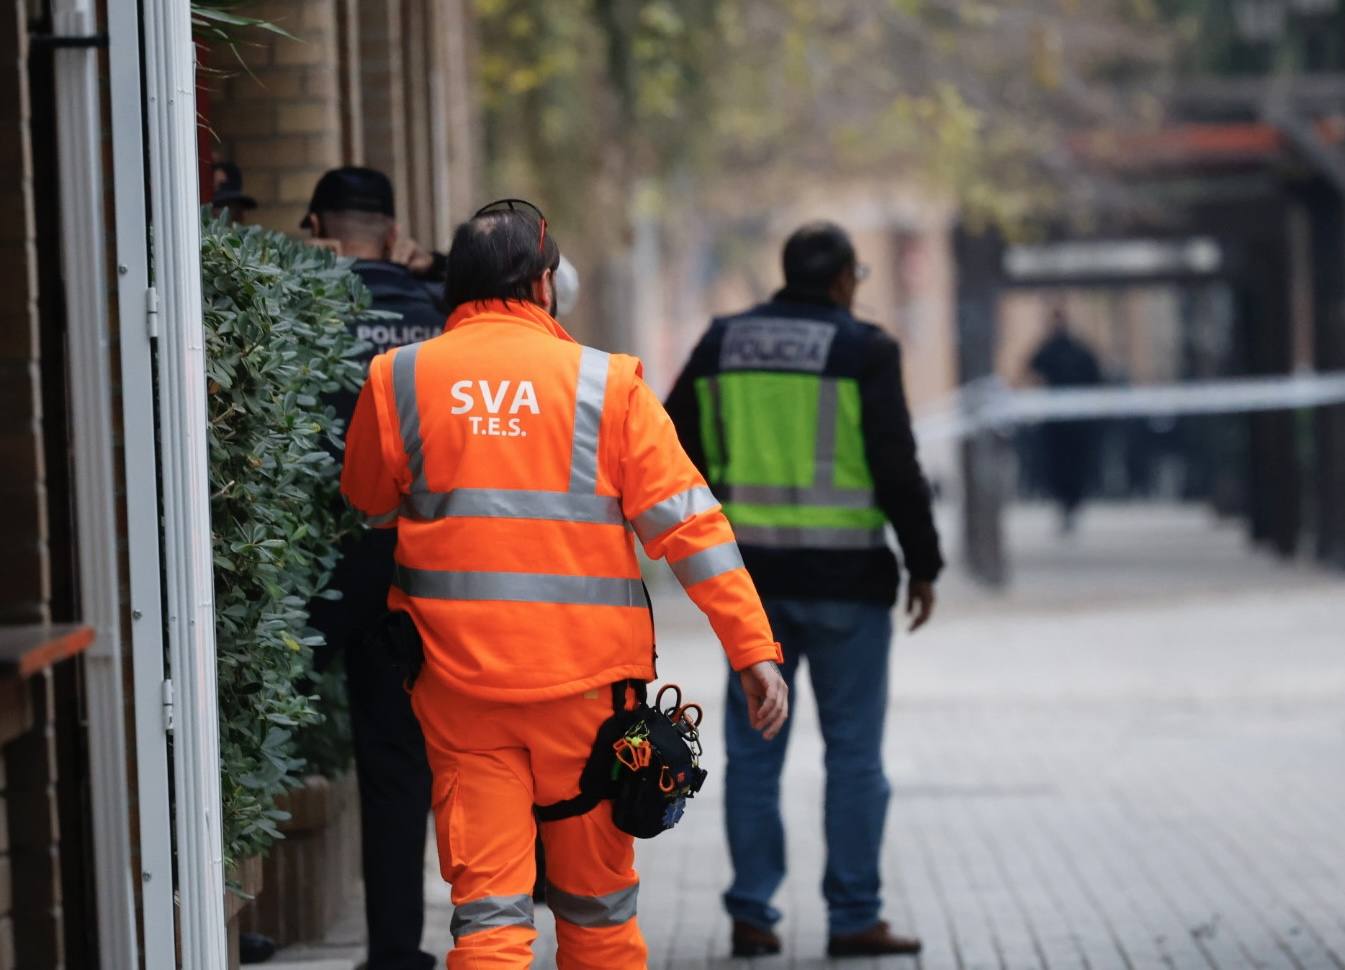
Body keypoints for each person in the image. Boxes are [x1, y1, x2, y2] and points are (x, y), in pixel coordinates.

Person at [340, 198, 790, 969]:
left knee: (487, 918)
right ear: (545, 285)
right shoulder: (606, 385)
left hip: (460, 694)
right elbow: (693, 531)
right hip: (588, 700)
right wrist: (752, 652)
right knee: (598, 913)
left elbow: (369, 502)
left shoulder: (398, 379)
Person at [664, 221, 943, 959]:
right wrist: (924, 563)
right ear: (846, 277)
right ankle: (853, 916)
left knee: (753, 753)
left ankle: (752, 912)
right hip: (848, 585)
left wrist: (708, 524)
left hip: (749, 588)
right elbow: (896, 463)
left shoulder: (722, 342)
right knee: (853, 756)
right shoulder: (865, 350)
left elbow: (668, 442)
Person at [303, 166, 443, 970]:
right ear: (393, 235)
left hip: (311, 570)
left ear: (316, 229)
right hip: (412, 566)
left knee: (244, 724)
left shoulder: (296, 309)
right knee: (398, 761)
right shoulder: (435, 314)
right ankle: (396, 949)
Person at [1027, 308, 1102, 533]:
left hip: (1069, 426)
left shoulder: (1069, 349)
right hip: (1061, 426)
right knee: (1064, 468)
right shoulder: (1063, 349)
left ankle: (1070, 506)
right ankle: (1067, 506)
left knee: (1068, 468)